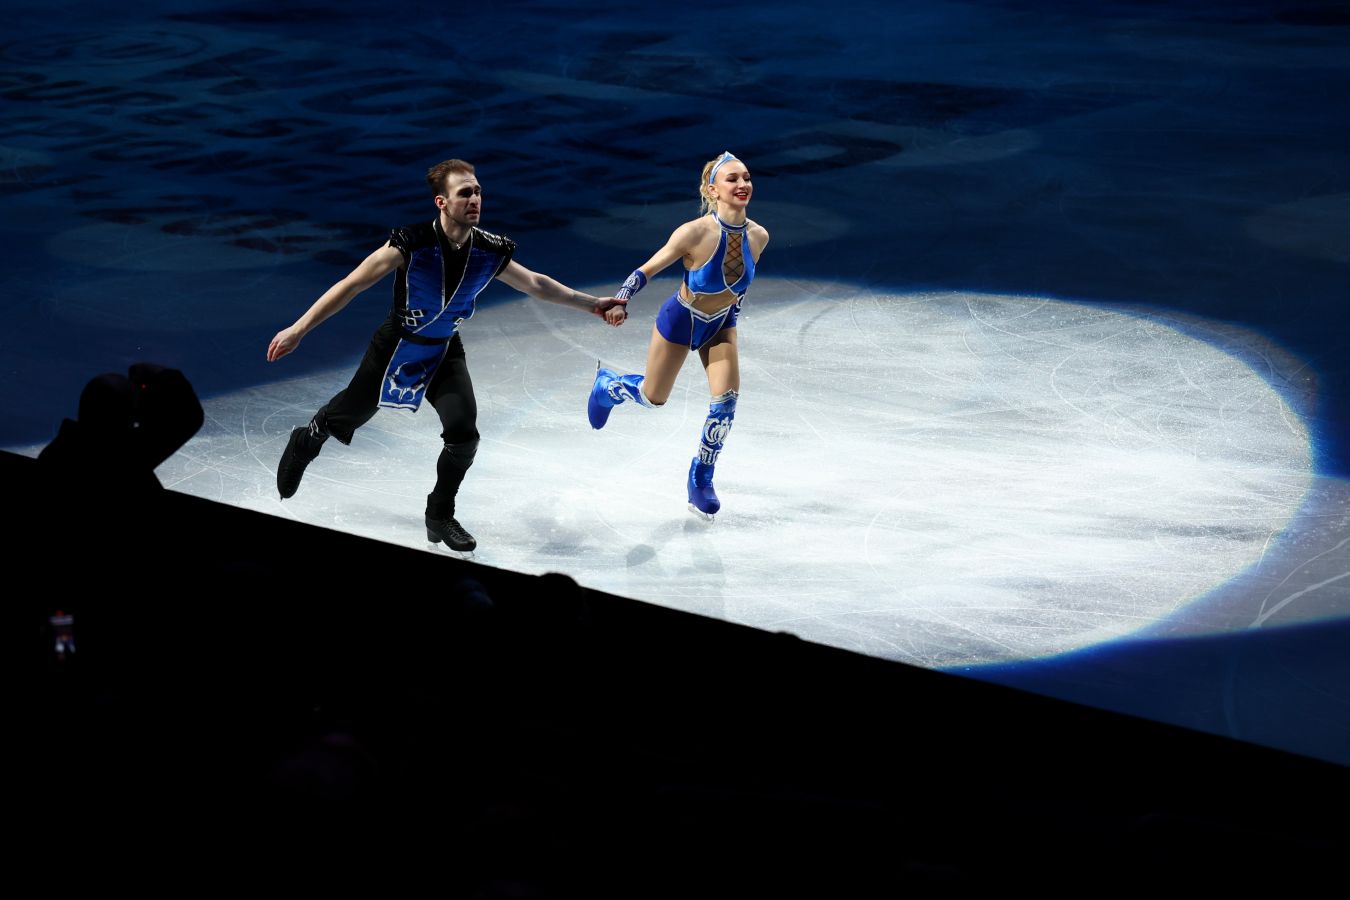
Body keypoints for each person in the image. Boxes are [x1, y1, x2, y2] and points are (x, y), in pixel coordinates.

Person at [267, 158, 627, 552]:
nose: (475, 199)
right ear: (442, 202)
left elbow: (536, 284)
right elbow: (351, 285)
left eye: (478, 191)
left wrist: (593, 304)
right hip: (396, 345)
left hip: (443, 350)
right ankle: (307, 439)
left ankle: (439, 515)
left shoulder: (489, 249)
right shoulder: (411, 243)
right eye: (465, 193)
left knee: (464, 435)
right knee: (348, 415)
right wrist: (298, 328)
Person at [587, 151, 769, 520]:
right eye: (732, 179)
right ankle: (609, 387)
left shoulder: (759, 236)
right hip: (681, 320)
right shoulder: (694, 232)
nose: (742, 184)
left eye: (746, 178)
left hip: (721, 325)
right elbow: (646, 269)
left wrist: (730, 323)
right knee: (653, 397)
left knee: (726, 403)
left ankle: (700, 478)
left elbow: (738, 289)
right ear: (712, 190)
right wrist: (621, 299)